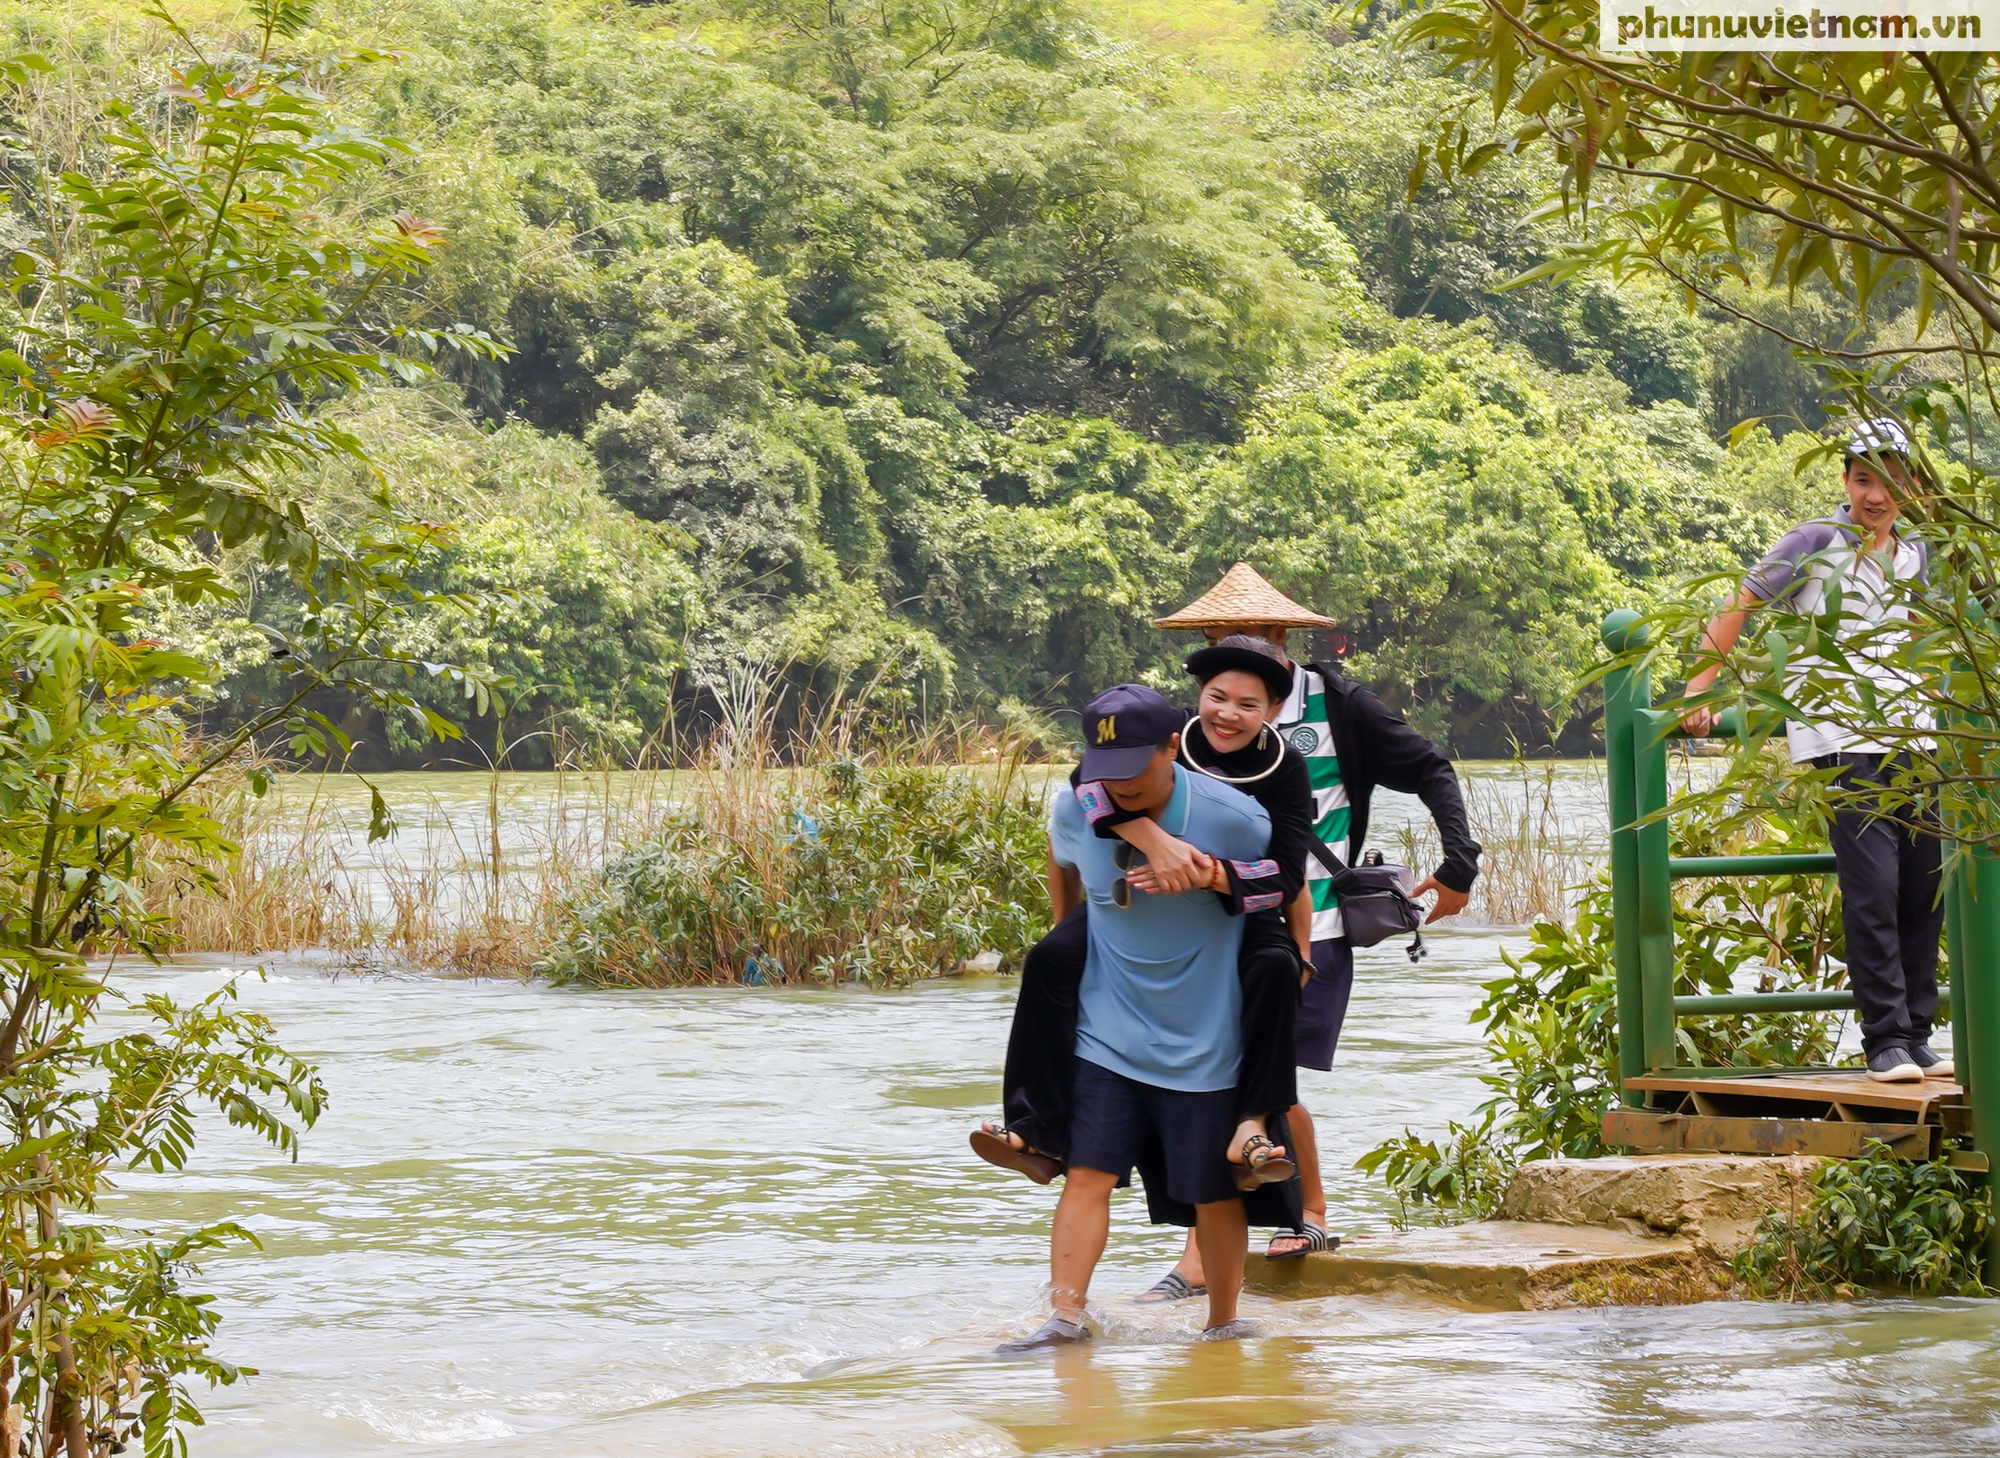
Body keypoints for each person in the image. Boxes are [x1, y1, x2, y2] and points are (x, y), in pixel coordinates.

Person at [1153, 564, 1481, 1263]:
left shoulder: (1338, 705)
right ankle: (1228, 1235)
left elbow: (1430, 768)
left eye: (1262, 635)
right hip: (1214, 930)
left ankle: (1298, 1215)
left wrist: (1459, 863)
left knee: (1272, 1073)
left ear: (1283, 637)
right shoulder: (1198, 724)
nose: (1246, 648)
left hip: (1316, 922)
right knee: (1223, 1072)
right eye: (1228, 637)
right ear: (1210, 639)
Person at [974, 635, 1315, 1304]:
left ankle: (1252, 1124)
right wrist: (1148, 840)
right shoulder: (1143, 748)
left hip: (1240, 907)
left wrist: (1210, 873)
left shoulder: (1278, 776)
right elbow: (1081, 798)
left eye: (1248, 704)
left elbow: (1290, 875)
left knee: (1275, 973)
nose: (1228, 714)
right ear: (1194, 708)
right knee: (1050, 959)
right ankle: (1035, 1131)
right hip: (1124, 905)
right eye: (1217, 698)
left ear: (1273, 712)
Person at [1681, 418, 1946, 1085]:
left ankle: (1916, 1035)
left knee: (1924, 890)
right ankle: (1883, 1038)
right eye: (1863, 480)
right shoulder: (1814, 541)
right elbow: (1741, 602)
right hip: (1840, 740)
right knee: (1874, 888)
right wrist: (1698, 689)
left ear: (1912, 484)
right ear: (1846, 481)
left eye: (1890, 481)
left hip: (1916, 740)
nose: (1876, 496)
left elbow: (1922, 634)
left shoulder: (1918, 552)